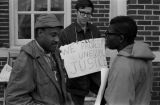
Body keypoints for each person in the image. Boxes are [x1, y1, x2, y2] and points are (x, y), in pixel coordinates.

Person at [5, 14, 73, 105]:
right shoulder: (26, 58)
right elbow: (14, 99)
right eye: (53, 35)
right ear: (40, 33)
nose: (57, 39)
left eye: (58, 35)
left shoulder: (54, 52)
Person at [59, 0, 105, 105]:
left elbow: (99, 53)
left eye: (88, 13)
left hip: (95, 79)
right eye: (82, 12)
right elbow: (61, 56)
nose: (85, 16)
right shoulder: (66, 33)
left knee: (104, 99)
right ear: (76, 12)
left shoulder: (95, 31)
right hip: (76, 81)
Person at [104, 16, 155, 105]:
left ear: (121, 38)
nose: (106, 36)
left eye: (108, 33)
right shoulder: (144, 58)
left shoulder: (123, 65)